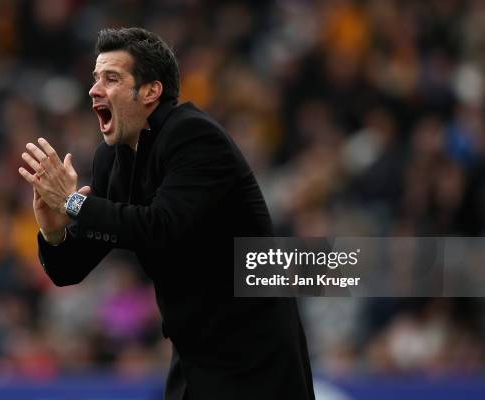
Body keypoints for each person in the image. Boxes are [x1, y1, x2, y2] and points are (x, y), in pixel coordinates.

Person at [18, 27, 314, 400]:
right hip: (192, 354)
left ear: (151, 91)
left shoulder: (194, 137)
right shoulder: (112, 157)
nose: (94, 90)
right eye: (95, 78)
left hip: (254, 351)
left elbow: (161, 227)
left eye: (111, 78)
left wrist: (74, 203)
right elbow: (69, 270)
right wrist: (54, 232)